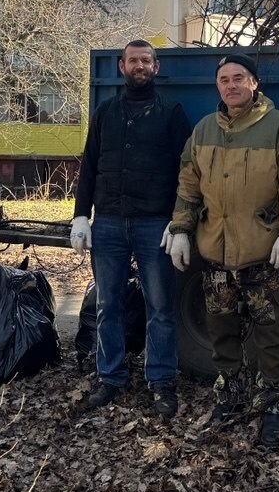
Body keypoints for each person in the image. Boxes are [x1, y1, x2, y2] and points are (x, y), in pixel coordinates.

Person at [163, 53, 279, 449]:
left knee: (272, 335)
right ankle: (228, 397)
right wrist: (180, 228)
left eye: (239, 78)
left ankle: (273, 408)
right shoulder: (203, 131)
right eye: (224, 79)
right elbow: (188, 186)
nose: (231, 85)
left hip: (263, 253)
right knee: (221, 331)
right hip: (216, 254)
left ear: (254, 84)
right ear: (218, 86)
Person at [71, 40, 192, 418]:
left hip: (155, 224)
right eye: (133, 60)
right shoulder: (105, 112)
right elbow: (89, 165)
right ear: (121, 67)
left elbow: (187, 172)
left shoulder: (171, 113)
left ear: (156, 68)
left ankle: (161, 382)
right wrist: (80, 216)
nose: (139, 65)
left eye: (146, 60)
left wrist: (179, 222)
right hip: (107, 223)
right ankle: (110, 378)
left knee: (160, 308)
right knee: (109, 306)